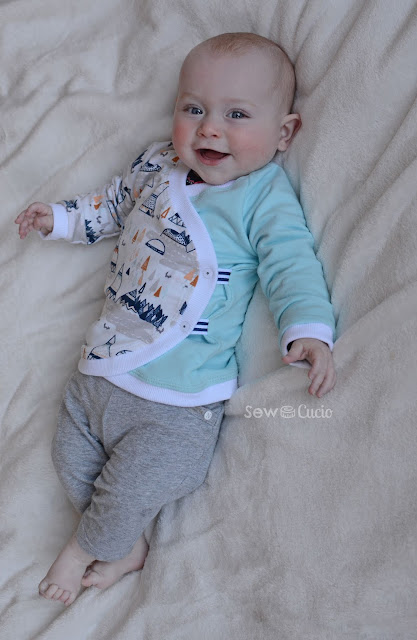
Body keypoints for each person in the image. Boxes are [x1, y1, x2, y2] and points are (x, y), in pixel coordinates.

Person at [15, 32, 336, 607]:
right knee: (71, 461)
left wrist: (308, 329)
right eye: (194, 109)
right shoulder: (155, 164)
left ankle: (80, 551)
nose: (209, 129)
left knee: (134, 482)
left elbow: (291, 263)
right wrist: (58, 220)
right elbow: (109, 206)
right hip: (102, 368)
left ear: (284, 133)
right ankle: (126, 543)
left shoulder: (262, 194)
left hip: (179, 400)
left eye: (237, 115)